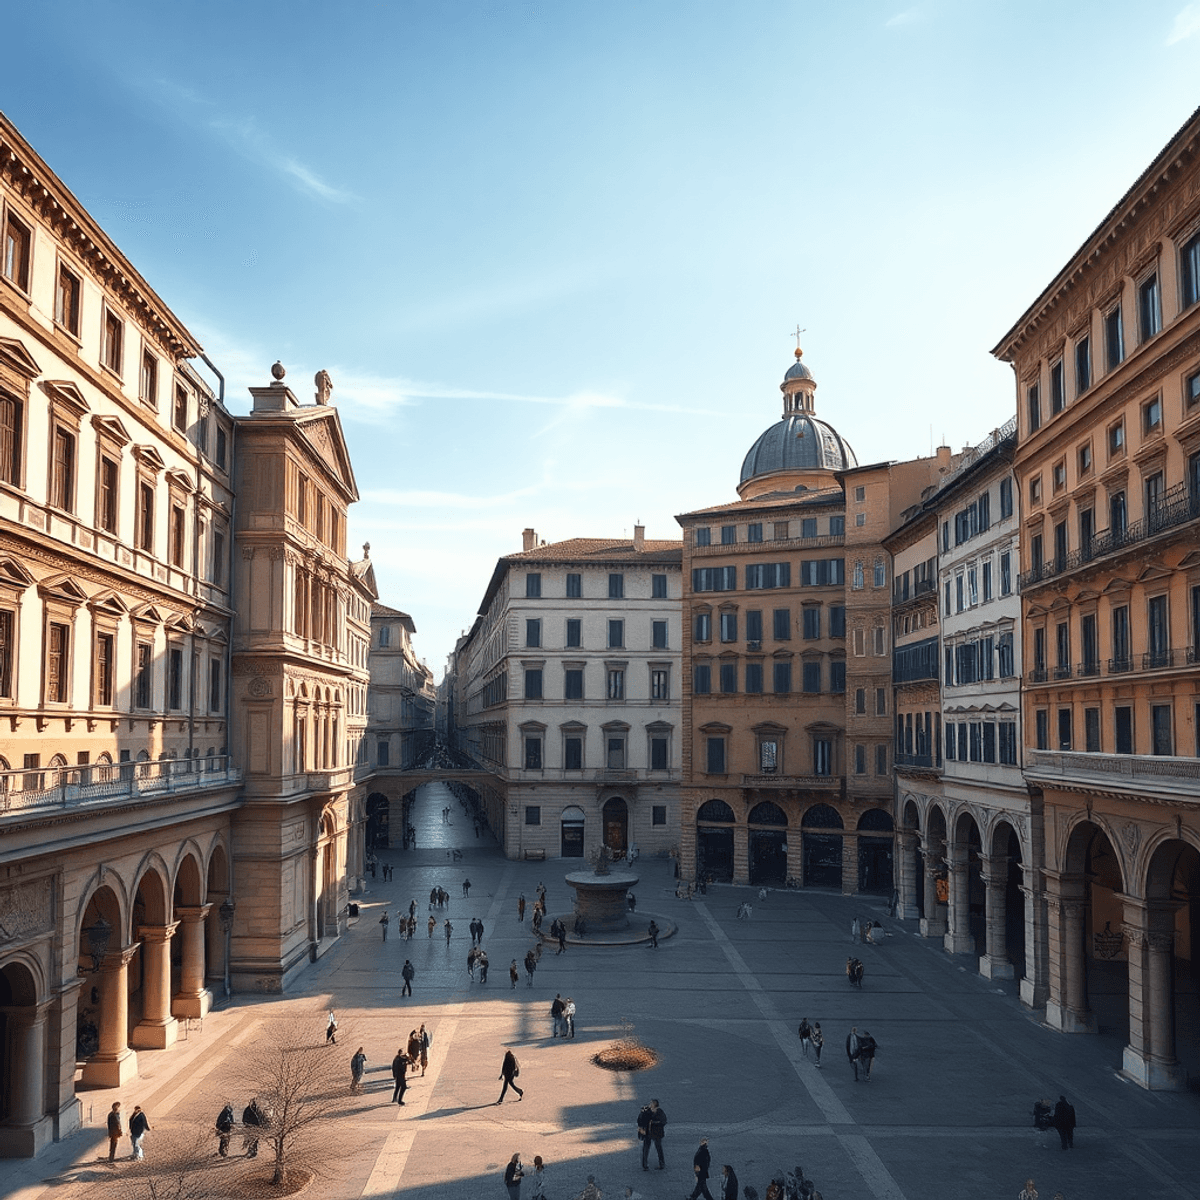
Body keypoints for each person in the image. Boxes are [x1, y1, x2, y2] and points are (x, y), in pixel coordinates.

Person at [638, 1098, 667, 1170]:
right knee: (647, 1148)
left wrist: (654, 1122)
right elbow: (640, 1120)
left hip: (655, 1133)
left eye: (652, 1104)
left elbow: (663, 1122)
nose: (651, 1106)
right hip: (649, 1132)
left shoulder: (659, 1112)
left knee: (656, 1148)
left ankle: (658, 1164)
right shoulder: (646, 1111)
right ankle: (645, 1165)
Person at [689, 1136, 715, 1200]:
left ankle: (693, 1197)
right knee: (702, 1186)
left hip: (701, 1171)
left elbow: (701, 1162)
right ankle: (694, 1196)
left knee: (702, 1186)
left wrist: (697, 1171)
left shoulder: (702, 1151)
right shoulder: (704, 1151)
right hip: (702, 1171)